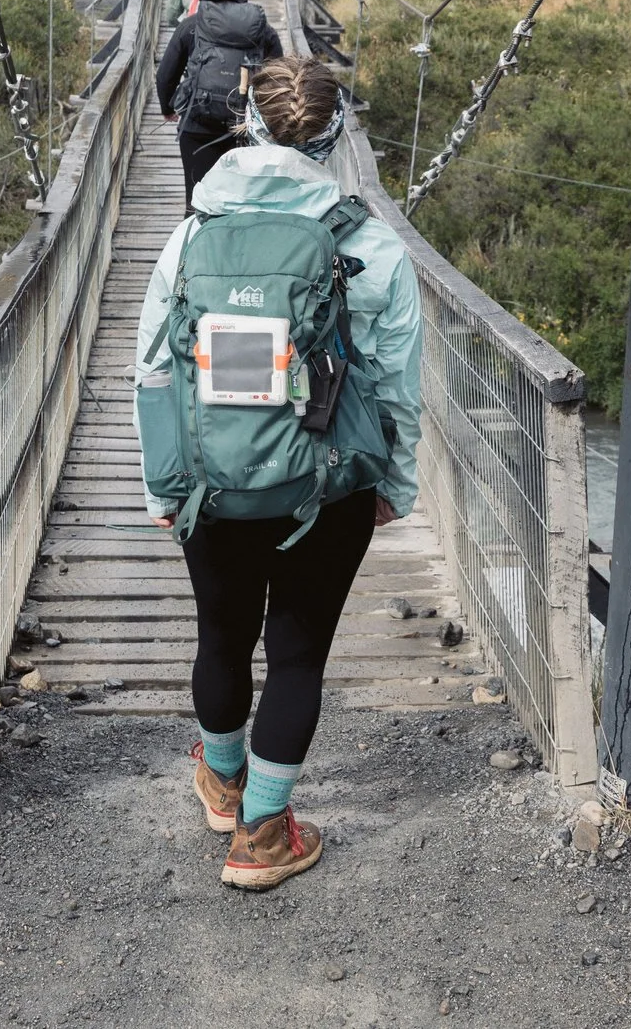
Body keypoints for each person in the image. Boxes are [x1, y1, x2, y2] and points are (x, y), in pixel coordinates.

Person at [132, 56, 420, 890]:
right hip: (326, 486)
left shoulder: (191, 234)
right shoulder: (370, 245)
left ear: (245, 127)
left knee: (219, 634)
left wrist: (163, 485)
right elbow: (398, 385)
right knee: (297, 656)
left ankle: (221, 783)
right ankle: (261, 836)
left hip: (212, 483)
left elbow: (151, 369)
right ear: (334, 139)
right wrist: (394, 488)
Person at [158, 0, 281, 203]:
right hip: (245, 130)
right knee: (240, 206)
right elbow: (279, 79)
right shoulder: (264, 31)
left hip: (197, 126)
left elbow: (165, 74)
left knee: (196, 204)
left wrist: (168, 108)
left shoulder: (193, 24)